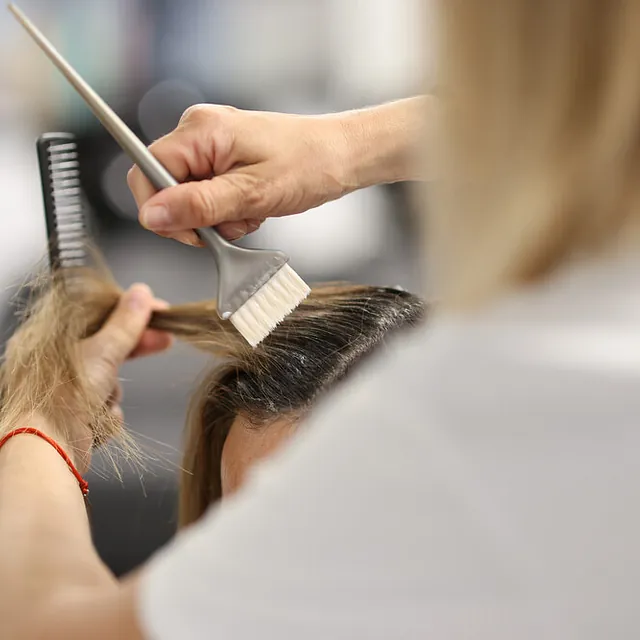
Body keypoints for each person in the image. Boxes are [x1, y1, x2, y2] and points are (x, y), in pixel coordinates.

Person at [2, 1, 640, 637]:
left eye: (282, 532)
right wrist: (346, 147)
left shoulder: (458, 441)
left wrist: (42, 424)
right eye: (245, 538)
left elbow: (45, 626)